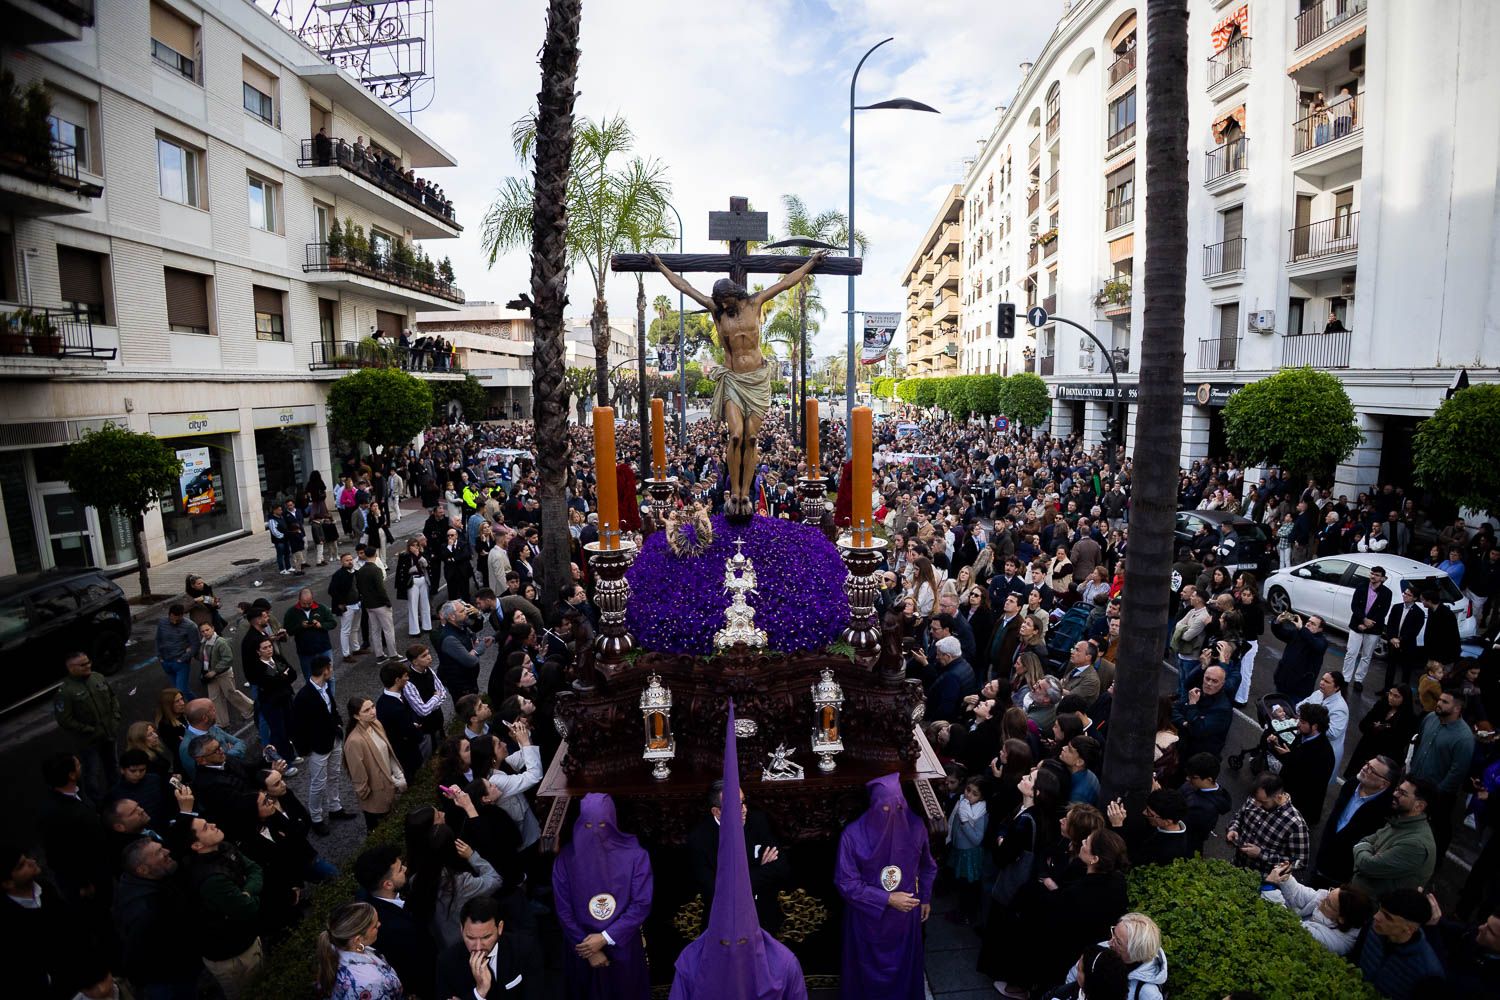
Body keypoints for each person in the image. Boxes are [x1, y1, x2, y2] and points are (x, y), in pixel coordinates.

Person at [650, 248, 828, 515]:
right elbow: (685, 287)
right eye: (720, 303)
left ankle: (746, 493)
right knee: (735, 436)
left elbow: (785, 282)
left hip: (757, 380)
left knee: (752, 438)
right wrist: (661, 266)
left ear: (735, 294)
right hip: (733, 379)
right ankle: (734, 491)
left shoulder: (754, 303)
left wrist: (811, 263)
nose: (723, 307)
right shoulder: (717, 311)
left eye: (726, 302)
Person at [836, 773, 936, 1000]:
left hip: (903, 920)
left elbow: (928, 866)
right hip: (867, 919)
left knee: (903, 972)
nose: (893, 816)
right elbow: (846, 883)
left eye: (898, 808)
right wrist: (888, 899)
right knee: (865, 973)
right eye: (885, 810)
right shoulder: (852, 836)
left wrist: (926, 897)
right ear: (874, 807)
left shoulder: (916, 826)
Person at [551, 793, 653, 1000]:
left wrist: (605, 938)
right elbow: (563, 910)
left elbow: (641, 904)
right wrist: (589, 949)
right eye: (588, 826)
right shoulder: (565, 860)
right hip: (581, 947)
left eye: (602, 825)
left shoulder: (636, 856)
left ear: (612, 822)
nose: (596, 832)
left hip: (621, 945)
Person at [173, 816, 265, 1000]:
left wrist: (246, 891)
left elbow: (255, 869)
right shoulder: (210, 879)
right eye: (206, 827)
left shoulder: (223, 847)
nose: (214, 825)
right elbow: (247, 908)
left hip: (246, 939)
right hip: (234, 955)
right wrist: (251, 895)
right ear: (197, 846)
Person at [115, 837, 202, 1000]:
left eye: (162, 848)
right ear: (143, 870)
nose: (167, 852)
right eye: (159, 853)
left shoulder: (150, 881)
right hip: (167, 979)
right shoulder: (144, 911)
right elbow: (136, 954)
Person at [354, 846, 436, 999]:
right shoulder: (398, 929)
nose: (405, 869)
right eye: (399, 870)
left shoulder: (366, 899)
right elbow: (421, 966)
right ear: (387, 885)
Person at [291, 657, 358, 835]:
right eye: (330, 667)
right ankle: (316, 818)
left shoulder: (325, 688)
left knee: (334, 776)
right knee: (318, 784)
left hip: (333, 740)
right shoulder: (304, 696)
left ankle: (335, 808)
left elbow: (332, 710)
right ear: (325, 670)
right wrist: (305, 749)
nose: (332, 670)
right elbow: (297, 726)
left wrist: (337, 725)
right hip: (318, 747)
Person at [1407, 689, 1475, 859]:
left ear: (1457, 709)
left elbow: (1457, 771)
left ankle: (1431, 862)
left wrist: (1438, 792)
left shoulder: (1464, 738)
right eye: (1440, 700)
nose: (1439, 703)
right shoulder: (1430, 718)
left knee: (1435, 830)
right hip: (1415, 783)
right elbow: (1419, 743)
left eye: (1445, 702)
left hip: (1438, 794)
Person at [433, 895, 543, 1000]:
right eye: (471, 938)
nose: (478, 947)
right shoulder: (447, 963)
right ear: (462, 930)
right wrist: (479, 993)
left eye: (486, 937)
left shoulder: (525, 949)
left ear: (500, 928)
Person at [1314, 755, 1398, 887]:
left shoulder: (1385, 810)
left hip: (1343, 871)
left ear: (1384, 784)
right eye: (1367, 764)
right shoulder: (1351, 784)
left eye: (1372, 770)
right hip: (1322, 854)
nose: (1365, 769)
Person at [1262, 860, 1375, 956]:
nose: (1322, 900)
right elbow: (1300, 893)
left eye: (1328, 903)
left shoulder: (1333, 943)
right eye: (1329, 893)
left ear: (1341, 919)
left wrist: (1269, 887)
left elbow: (1287, 924)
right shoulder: (1329, 901)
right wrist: (1286, 878)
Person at [1350, 779, 1439, 898]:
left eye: (1402, 793)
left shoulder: (1416, 845)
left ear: (1419, 806)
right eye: (1397, 789)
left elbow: (1367, 865)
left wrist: (1362, 850)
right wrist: (1366, 850)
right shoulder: (1400, 821)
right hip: (1359, 897)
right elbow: (1365, 841)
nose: (1394, 794)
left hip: (1372, 910)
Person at [52, 650, 122, 802]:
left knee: (113, 767)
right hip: (89, 741)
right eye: (83, 664)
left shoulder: (98, 677)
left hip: (109, 734)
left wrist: (115, 718)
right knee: (91, 773)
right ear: (71, 668)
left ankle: (118, 796)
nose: (88, 666)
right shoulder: (66, 692)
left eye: (88, 662)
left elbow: (112, 698)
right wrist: (89, 730)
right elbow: (65, 720)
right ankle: (95, 804)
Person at [1352, 889, 1445, 1000]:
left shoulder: (1428, 973)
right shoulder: (1373, 928)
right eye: (1380, 909)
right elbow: (1353, 959)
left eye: (1388, 917)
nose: (1376, 917)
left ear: (1409, 929)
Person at [314, 901, 403, 1000]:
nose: (379, 924)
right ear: (358, 940)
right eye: (374, 926)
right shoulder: (369, 985)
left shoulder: (335, 947)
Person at [1224, 774, 1311, 876]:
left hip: (1263, 880)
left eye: (1262, 802)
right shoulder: (1256, 799)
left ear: (1278, 798)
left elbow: (1300, 863)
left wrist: (1261, 854)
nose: (1256, 804)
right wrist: (1233, 829)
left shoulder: (1296, 825)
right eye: (1255, 799)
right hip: (1236, 866)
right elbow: (1239, 817)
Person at [344, 697, 406, 830]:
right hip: (375, 792)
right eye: (366, 710)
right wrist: (365, 793)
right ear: (356, 716)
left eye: (372, 706)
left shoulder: (376, 724)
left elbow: (388, 751)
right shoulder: (354, 741)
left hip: (389, 783)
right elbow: (358, 775)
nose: (373, 711)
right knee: (378, 828)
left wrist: (398, 775)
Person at [1268, 702, 1336, 825]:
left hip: (1298, 810)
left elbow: (1307, 783)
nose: (1298, 724)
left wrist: (1289, 757)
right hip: (1285, 797)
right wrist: (1276, 745)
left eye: (1303, 722)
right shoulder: (1304, 736)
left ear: (1314, 726)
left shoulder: (1323, 754)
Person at [196, 620, 256, 728]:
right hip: (210, 675)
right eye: (202, 631)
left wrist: (215, 671)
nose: (205, 633)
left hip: (222, 674)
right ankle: (222, 722)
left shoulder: (220, 642)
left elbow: (228, 658)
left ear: (213, 629)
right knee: (214, 699)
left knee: (230, 693)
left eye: (207, 630)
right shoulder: (203, 643)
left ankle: (250, 708)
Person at [375, 658, 426, 781]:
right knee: (412, 777)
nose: (407, 679)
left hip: (403, 747)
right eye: (405, 676)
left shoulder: (383, 700)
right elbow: (406, 730)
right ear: (397, 680)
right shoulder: (394, 707)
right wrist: (415, 728)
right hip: (406, 752)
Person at [1342, 566, 1391, 693]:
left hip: (1374, 628)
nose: (1373, 576)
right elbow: (1355, 606)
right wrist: (1363, 620)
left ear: (1383, 578)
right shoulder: (1361, 586)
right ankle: (1346, 679)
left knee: (1366, 656)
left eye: (1377, 574)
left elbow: (1382, 612)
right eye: (1372, 573)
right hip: (1357, 624)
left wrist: (1369, 624)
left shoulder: (1387, 593)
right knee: (1351, 653)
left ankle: (1359, 680)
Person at [1171, 665, 1232, 759]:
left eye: (1214, 681)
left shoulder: (1223, 709)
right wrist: (1184, 723)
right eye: (1207, 679)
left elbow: (1197, 731)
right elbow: (1173, 709)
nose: (1209, 683)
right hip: (1182, 748)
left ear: (1222, 683)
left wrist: (1192, 705)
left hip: (1200, 757)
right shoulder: (1196, 692)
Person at [1179, 752, 1232, 855]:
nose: (1187, 779)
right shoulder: (1195, 786)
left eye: (1193, 777)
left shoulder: (1206, 809)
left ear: (1209, 779)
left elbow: (1178, 823)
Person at [1295, 671, 1350, 767]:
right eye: (1322, 679)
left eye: (1327, 682)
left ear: (1337, 688)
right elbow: (1299, 707)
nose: (1322, 683)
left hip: (1326, 750)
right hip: (1310, 742)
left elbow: (1333, 733)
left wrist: (1312, 723)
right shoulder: (1318, 694)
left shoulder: (1340, 708)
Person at [1271, 611, 1328, 702]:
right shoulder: (1297, 633)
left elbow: (1316, 645)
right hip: (1282, 682)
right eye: (1308, 621)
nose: (1308, 624)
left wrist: (1302, 629)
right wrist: (1277, 622)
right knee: (1277, 710)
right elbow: (1280, 633)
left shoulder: (1322, 642)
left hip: (1299, 690)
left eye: (1313, 624)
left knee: (1293, 713)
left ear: (1320, 629)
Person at [285, 588, 337, 682]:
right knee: (310, 679)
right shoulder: (291, 612)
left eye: (309, 603)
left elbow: (333, 623)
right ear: (299, 600)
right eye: (304, 603)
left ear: (312, 599)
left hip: (323, 648)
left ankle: (330, 696)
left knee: (329, 677)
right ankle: (314, 696)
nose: (307, 605)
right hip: (305, 652)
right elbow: (288, 630)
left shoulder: (322, 608)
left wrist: (321, 625)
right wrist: (301, 626)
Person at [356, 547, 397, 658]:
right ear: (375, 554)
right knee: (388, 629)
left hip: (369, 604)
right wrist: (387, 602)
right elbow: (381, 589)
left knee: (375, 630)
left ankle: (379, 655)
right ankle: (393, 654)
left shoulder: (360, 571)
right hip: (380, 604)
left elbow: (359, 587)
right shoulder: (376, 570)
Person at [926, 635, 976, 723]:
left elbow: (946, 707)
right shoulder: (966, 665)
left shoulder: (952, 677)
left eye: (938, 654)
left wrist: (933, 722)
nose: (937, 657)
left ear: (948, 656)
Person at [1383, 587, 1426, 688]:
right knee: (1390, 668)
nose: (1405, 596)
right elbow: (1390, 624)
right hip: (1393, 642)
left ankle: (1403, 692)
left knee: (1406, 670)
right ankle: (1387, 689)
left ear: (1415, 598)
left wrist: (1400, 639)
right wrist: (1392, 637)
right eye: (1405, 593)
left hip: (1407, 645)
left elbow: (1414, 631)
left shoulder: (1419, 613)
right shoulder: (1397, 607)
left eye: (1408, 595)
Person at [156, 604, 200, 694]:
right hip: (165, 661)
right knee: (177, 691)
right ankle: (193, 705)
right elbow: (158, 639)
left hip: (180, 663)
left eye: (177, 618)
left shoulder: (190, 626)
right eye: (172, 618)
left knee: (180, 691)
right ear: (169, 614)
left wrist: (183, 659)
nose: (174, 621)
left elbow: (195, 644)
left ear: (181, 615)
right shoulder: (162, 622)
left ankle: (192, 706)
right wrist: (159, 656)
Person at [329, 552, 364, 660]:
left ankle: (356, 648)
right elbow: (332, 590)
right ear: (342, 562)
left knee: (355, 628)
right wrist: (340, 603)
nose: (349, 562)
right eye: (346, 560)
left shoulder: (356, 573)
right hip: (347, 606)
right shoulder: (338, 575)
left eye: (350, 559)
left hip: (357, 604)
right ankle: (346, 654)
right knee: (345, 630)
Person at [395, 538, 433, 637]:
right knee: (413, 606)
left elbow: (427, 565)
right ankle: (414, 630)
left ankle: (427, 626)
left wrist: (420, 557)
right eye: (413, 545)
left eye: (416, 545)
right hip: (412, 581)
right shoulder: (404, 556)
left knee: (425, 604)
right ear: (409, 547)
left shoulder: (422, 554)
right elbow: (402, 571)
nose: (415, 547)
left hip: (423, 580)